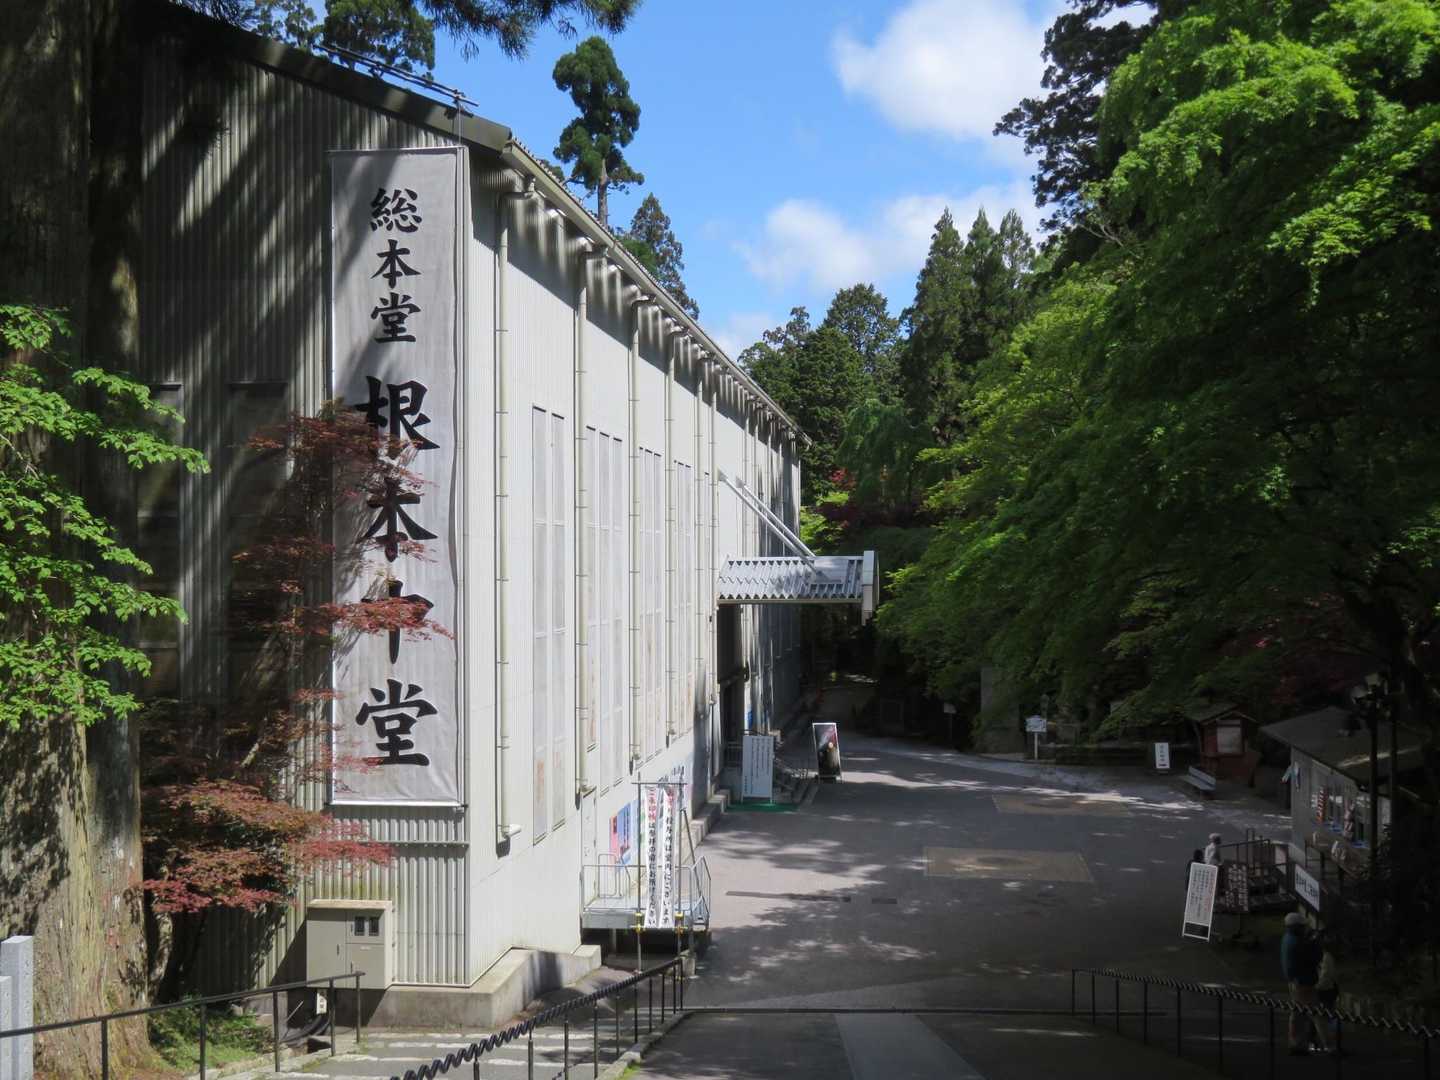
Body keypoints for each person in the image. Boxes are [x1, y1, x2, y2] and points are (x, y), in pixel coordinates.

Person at [1281, 911, 1330, 1055]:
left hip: (1293, 982)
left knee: (1297, 1014)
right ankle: (1330, 1045)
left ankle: (1296, 1044)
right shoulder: (1298, 943)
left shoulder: (1287, 938)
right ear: (1295, 927)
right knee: (1318, 1014)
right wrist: (1316, 942)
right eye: (1302, 926)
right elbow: (1315, 957)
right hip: (1304, 983)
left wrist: (1309, 940)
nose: (1304, 928)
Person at [1314, 931, 1340, 1050]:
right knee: (1328, 1016)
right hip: (1327, 989)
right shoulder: (1324, 956)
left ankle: (1331, 1042)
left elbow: (1326, 975)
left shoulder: (1325, 957)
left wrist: (1317, 987)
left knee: (1327, 1017)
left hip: (1326, 990)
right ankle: (1331, 1041)